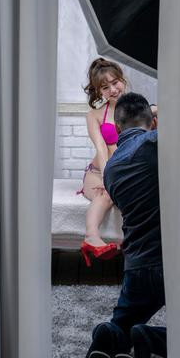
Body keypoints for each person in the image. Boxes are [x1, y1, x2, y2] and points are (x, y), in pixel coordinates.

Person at [80, 92, 167, 358]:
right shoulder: (155, 144)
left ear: (117, 129)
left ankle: (106, 337)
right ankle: (148, 338)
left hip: (137, 263)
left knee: (122, 321)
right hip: (172, 262)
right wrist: (158, 111)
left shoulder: (112, 169)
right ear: (152, 121)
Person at [77, 57, 128, 266]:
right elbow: (101, 149)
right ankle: (91, 237)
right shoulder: (95, 115)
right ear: (99, 92)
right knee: (105, 195)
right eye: (105, 87)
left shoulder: (138, 109)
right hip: (98, 173)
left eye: (115, 82)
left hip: (125, 174)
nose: (113, 90)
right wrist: (109, 180)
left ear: (122, 80)